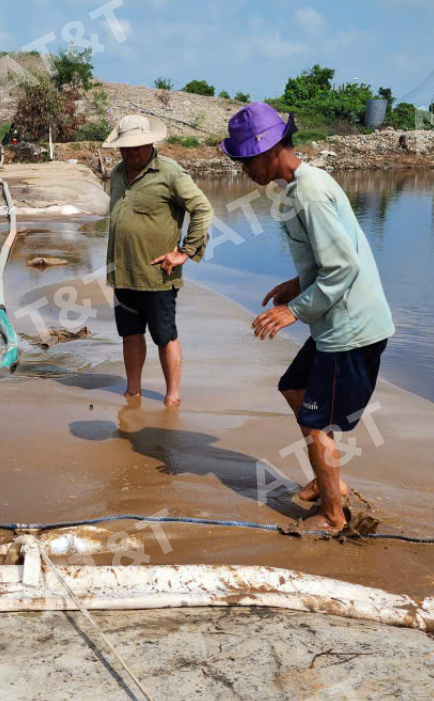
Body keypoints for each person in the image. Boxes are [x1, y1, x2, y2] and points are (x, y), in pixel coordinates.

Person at [222, 103, 395, 532]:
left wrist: (292, 311)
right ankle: (326, 482)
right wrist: (295, 285)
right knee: (294, 387)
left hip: (351, 328)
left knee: (316, 420)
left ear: (270, 149)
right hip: (335, 321)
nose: (245, 169)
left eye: (246, 159)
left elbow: (343, 268)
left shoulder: (311, 191)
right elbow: (327, 261)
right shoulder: (298, 188)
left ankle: (333, 515)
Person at [101, 114, 214, 408]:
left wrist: (186, 252)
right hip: (123, 272)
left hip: (158, 275)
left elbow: (202, 209)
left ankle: (172, 396)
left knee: (165, 336)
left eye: (136, 146)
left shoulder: (170, 172)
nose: (130, 152)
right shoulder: (115, 174)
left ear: (150, 143)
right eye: (125, 148)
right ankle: (133, 390)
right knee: (130, 334)